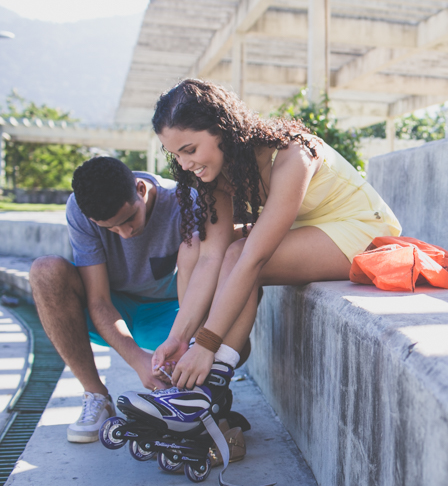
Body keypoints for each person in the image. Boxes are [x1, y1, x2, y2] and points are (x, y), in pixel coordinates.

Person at [147, 78, 400, 409]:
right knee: (195, 246)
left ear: (221, 129)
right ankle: (198, 367)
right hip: (311, 233)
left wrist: (206, 345)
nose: (183, 165)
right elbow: (210, 258)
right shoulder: (218, 176)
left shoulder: (294, 153)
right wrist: (178, 339)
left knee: (242, 252)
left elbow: (253, 257)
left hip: (363, 230)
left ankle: (211, 381)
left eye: (189, 150)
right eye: (175, 155)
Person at [30, 156, 195, 442]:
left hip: (171, 311)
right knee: (45, 271)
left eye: (129, 218)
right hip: (114, 311)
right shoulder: (81, 210)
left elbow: (201, 287)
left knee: (237, 344)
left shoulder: (184, 201)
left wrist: (187, 342)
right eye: (111, 228)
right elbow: (99, 300)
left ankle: (190, 394)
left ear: (140, 189)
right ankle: (97, 397)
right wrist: (137, 360)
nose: (126, 233)